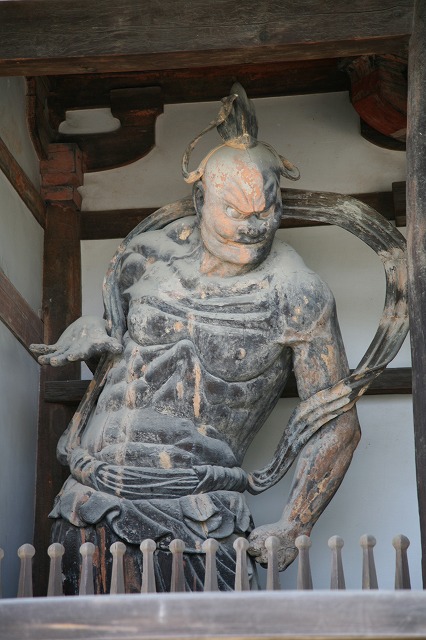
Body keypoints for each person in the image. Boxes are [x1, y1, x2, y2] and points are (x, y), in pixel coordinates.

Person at [31, 85, 407, 593]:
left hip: (201, 514)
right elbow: (117, 348)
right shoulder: (146, 258)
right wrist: (91, 331)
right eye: (234, 211)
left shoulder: (295, 295)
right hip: (87, 499)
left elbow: (336, 422)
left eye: (265, 212)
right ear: (199, 200)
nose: (252, 228)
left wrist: (295, 522)